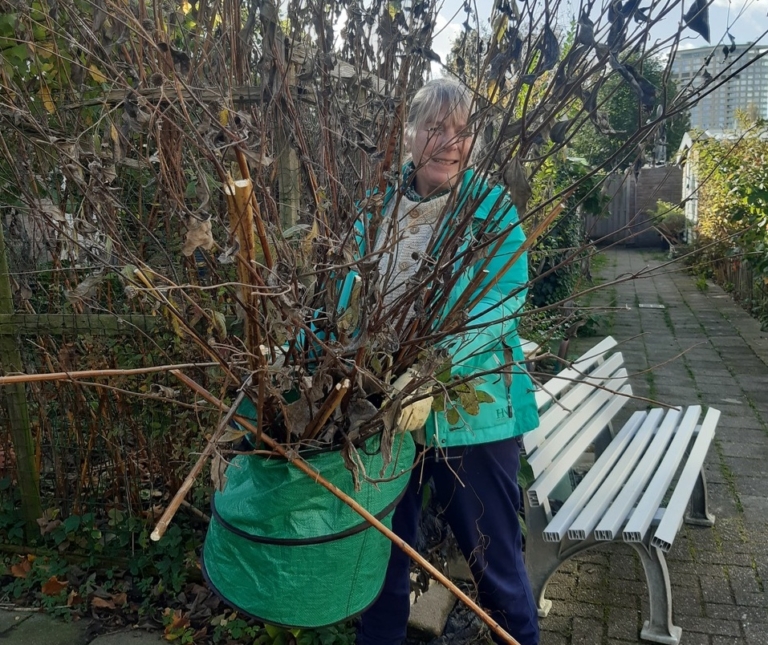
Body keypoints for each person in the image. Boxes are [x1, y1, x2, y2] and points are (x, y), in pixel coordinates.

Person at [356, 78, 541, 645]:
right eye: (435, 128)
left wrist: (432, 371)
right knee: (382, 560)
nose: (448, 143)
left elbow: (500, 297)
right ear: (411, 135)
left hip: (473, 417)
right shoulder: (379, 209)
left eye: (461, 132)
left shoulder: (487, 208)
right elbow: (349, 293)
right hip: (387, 411)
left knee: (494, 565)